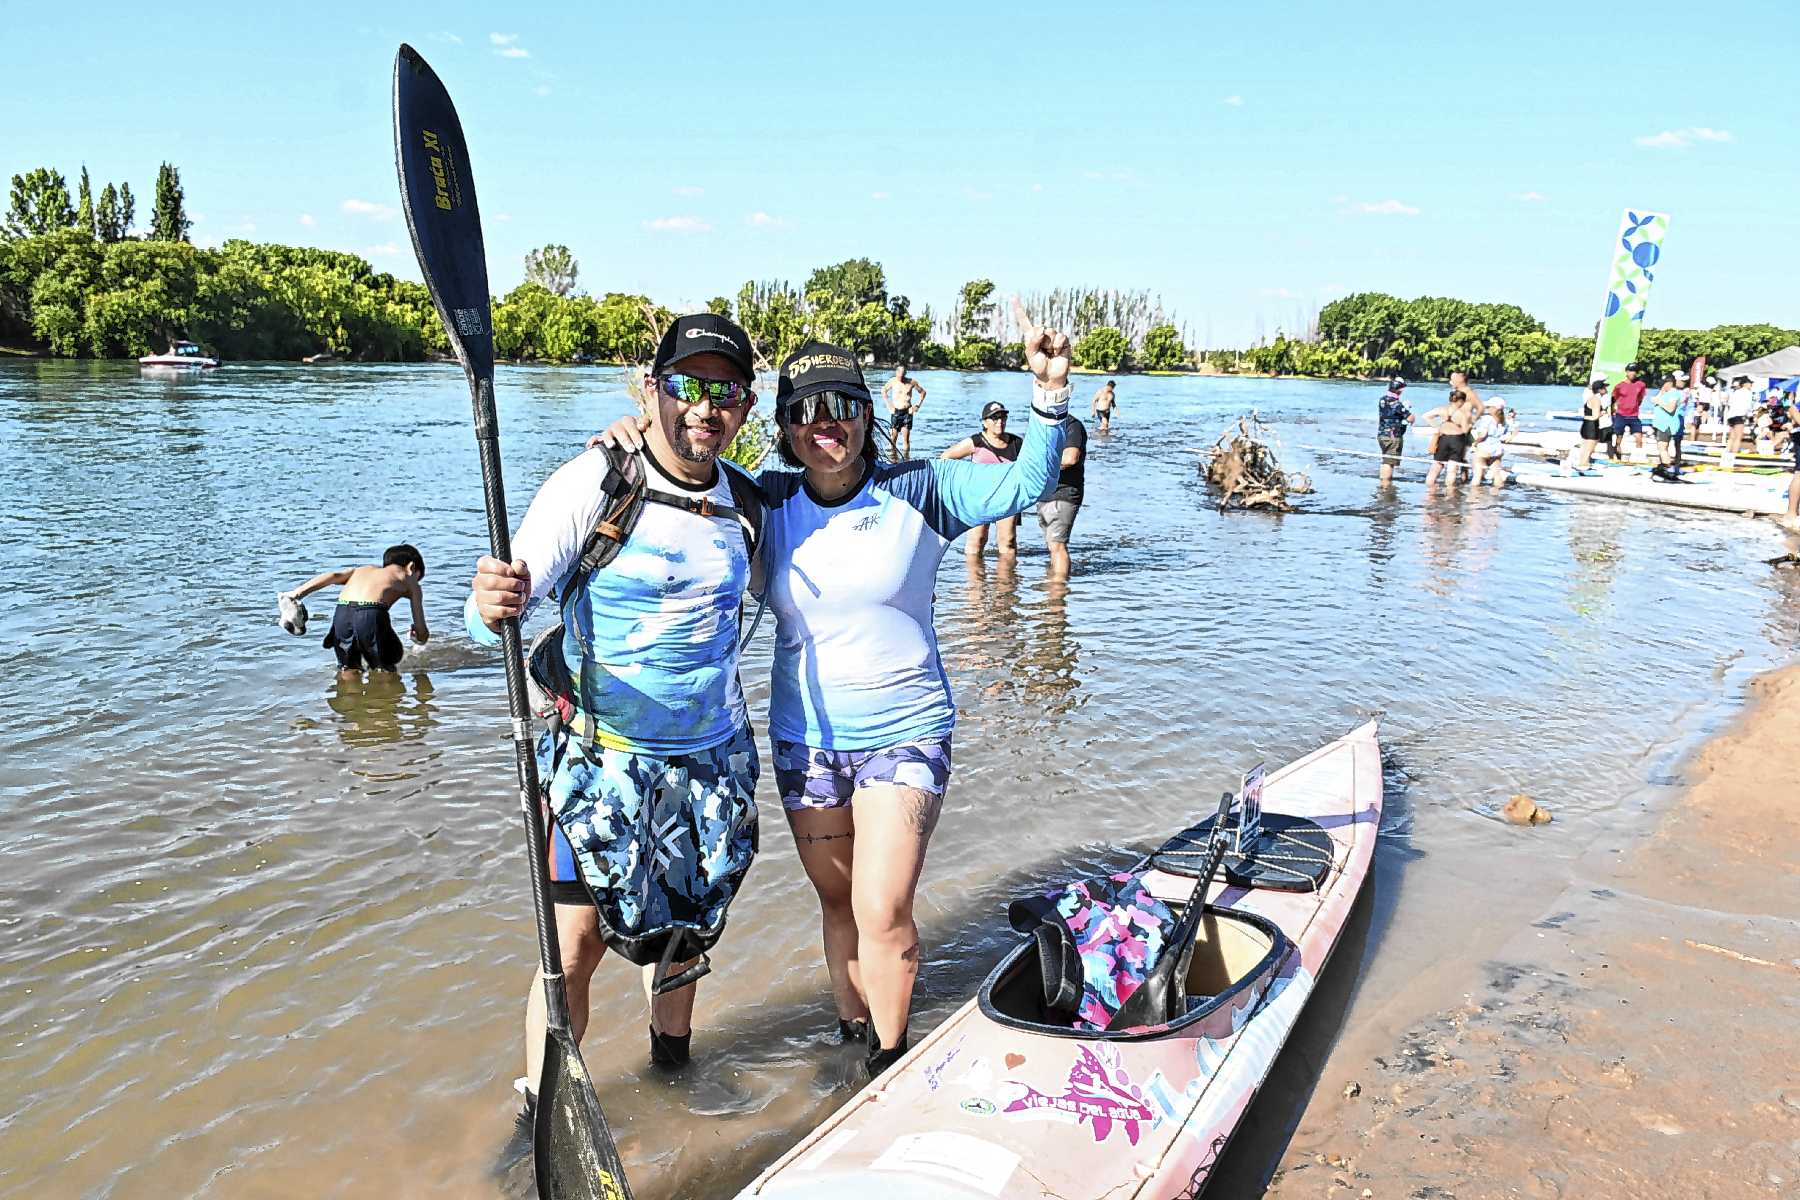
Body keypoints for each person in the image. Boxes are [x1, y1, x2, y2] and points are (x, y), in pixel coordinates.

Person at [595, 306, 1070, 1078]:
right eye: (807, 410)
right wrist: (626, 436)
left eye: (844, 407)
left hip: (906, 732)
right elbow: (674, 479)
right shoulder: (763, 500)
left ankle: (890, 1062)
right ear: (784, 425)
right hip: (805, 740)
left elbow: (1029, 483)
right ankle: (853, 1041)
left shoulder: (923, 489)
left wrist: (1048, 397)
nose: (827, 425)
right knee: (839, 905)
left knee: (883, 910)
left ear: (867, 415)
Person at [470, 313, 764, 1171]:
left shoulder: (746, 502)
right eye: (685, 386)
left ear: (745, 405)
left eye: (724, 391)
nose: (703, 407)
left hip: (709, 765)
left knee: (683, 939)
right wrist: (489, 603)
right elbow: (496, 604)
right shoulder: (593, 483)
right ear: (652, 389)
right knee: (572, 950)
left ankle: (673, 1068)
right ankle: (540, 1117)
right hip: (596, 760)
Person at [283, 545, 428, 672]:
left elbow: (333, 576)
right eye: (418, 577)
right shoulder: (411, 582)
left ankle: (349, 697)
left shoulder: (363, 570)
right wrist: (419, 638)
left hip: (342, 613)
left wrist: (297, 594)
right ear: (411, 567)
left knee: (348, 667)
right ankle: (384, 700)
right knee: (386, 665)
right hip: (371, 613)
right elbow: (421, 629)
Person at [941, 400, 1024, 557]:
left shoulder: (1016, 443)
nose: (1000, 422)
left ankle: (1006, 580)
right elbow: (946, 458)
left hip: (1007, 498)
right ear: (985, 422)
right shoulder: (976, 442)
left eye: (1003, 418)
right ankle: (976, 580)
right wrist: (963, 483)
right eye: (995, 418)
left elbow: (1030, 467)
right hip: (979, 498)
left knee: (1007, 541)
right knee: (976, 541)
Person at [1039, 403, 1087, 579]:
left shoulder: (1071, 425)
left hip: (1065, 491)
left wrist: (1041, 468)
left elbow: (1070, 458)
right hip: (1045, 492)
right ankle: (1054, 584)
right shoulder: (1044, 427)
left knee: (1057, 545)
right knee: (1052, 545)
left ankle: (1058, 593)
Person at [1423, 384, 1479, 490]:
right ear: (1461, 401)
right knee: (1452, 469)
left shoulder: (1441, 409)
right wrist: (1471, 425)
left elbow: (1426, 416)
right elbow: (1465, 430)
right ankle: (1450, 492)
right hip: (1457, 440)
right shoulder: (1463, 414)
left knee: (1436, 466)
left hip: (1443, 439)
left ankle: (1429, 489)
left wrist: (1437, 426)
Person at [881, 365, 927, 459]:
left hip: (907, 412)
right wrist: (888, 404)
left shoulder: (911, 382)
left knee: (906, 439)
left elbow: (923, 392)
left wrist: (918, 405)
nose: (900, 377)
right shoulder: (893, 381)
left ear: (905, 373)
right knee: (893, 438)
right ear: (896, 373)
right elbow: (883, 391)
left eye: (902, 375)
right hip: (896, 412)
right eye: (899, 375)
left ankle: (906, 460)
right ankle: (893, 460)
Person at [1376, 375, 1413, 486]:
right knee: (1389, 462)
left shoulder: (1382, 399)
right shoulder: (1397, 404)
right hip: (1393, 436)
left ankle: (1383, 484)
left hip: (1382, 434)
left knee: (1386, 460)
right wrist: (1407, 408)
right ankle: (1386, 487)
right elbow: (1411, 418)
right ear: (1400, 389)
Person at [1469, 396, 1512, 485]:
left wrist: (1475, 443)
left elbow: (1483, 435)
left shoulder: (1487, 419)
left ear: (1494, 408)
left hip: (1485, 448)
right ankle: (1497, 495)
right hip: (1497, 450)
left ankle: (1474, 496)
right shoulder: (1504, 421)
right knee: (1497, 475)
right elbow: (1506, 437)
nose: (1487, 409)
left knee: (1477, 475)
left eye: (1489, 407)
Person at [1610, 362, 1648, 462]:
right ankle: (1617, 456)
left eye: (1635, 371)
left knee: (1639, 437)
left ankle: (1638, 458)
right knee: (1618, 438)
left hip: (1634, 416)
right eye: (1631, 371)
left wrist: (1635, 406)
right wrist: (1612, 411)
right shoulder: (1619, 386)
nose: (1633, 373)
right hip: (1621, 415)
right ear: (1627, 372)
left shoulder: (1641, 385)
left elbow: (1640, 399)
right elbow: (1613, 399)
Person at [1648, 371, 1685, 476]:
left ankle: (1669, 469)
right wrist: (1661, 393)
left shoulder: (1674, 393)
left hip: (1667, 425)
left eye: (1664, 383)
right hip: (1660, 424)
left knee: (1662, 448)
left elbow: (1670, 408)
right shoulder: (1666, 393)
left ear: (1669, 383)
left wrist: (1659, 401)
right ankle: (1664, 467)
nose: (1662, 385)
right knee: (1663, 448)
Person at [1572, 378, 1609, 472]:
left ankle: (1582, 464)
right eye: (1604, 387)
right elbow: (1595, 416)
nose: (1606, 389)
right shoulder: (1596, 400)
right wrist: (1603, 412)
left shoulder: (1590, 398)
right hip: (1592, 426)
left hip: (1586, 425)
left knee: (1584, 448)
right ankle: (1583, 466)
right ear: (1600, 389)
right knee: (1589, 449)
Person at [1724, 375, 1757, 464]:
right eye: (1750, 384)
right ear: (1745, 384)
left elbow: (1729, 403)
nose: (1751, 385)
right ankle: (1733, 457)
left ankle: (1727, 455)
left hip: (1731, 415)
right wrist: (1750, 416)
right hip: (1739, 415)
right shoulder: (1748, 393)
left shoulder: (1736, 392)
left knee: (1731, 437)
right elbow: (1748, 406)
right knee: (1738, 437)